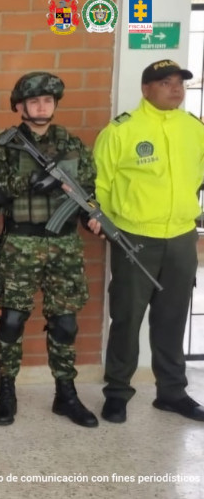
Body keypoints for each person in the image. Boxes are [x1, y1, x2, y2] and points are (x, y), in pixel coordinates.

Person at [0, 71, 102, 428]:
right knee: (12, 320)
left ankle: (66, 394)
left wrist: (92, 218)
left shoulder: (74, 146)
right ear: (20, 106)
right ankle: (6, 393)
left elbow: (87, 194)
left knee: (65, 323)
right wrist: (30, 181)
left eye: (47, 100)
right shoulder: (5, 145)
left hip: (64, 244)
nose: (41, 106)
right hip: (20, 244)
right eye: (34, 101)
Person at [94, 59, 204, 423]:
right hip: (135, 238)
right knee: (126, 318)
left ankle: (171, 392)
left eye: (179, 83)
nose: (175, 89)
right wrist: (114, 227)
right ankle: (117, 393)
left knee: (172, 319)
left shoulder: (194, 129)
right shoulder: (121, 131)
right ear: (145, 89)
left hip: (181, 237)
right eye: (165, 82)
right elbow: (101, 185)